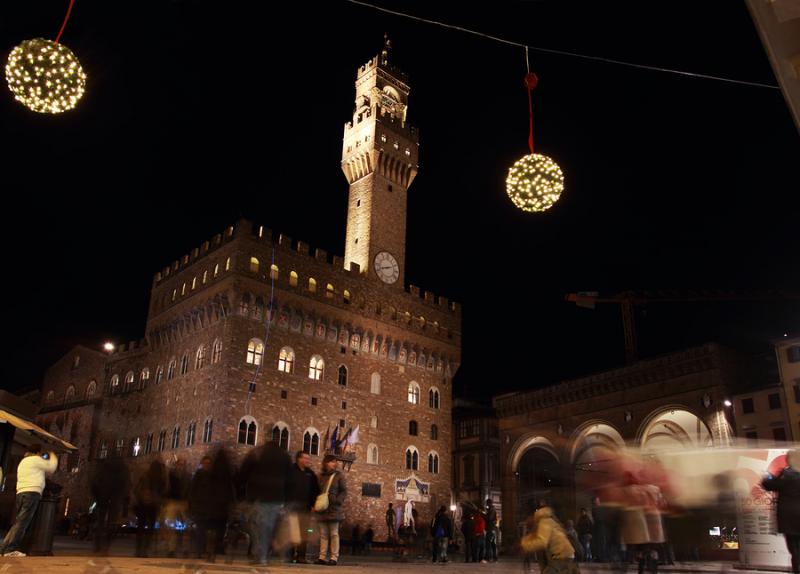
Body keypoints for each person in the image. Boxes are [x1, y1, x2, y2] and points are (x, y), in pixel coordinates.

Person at [238, 440, 292, 566]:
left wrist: (241, 493)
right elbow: (290, 478)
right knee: (267, 526)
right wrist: (287, 497)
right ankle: (264, 554)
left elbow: (243, 473)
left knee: (257, 526)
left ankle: (260, 555)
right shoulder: (284, 455)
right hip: (277, 497)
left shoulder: (257, 452)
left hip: (258, 496)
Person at [0, 445, 58, 557]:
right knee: (22, 523)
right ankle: (10, 549)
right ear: (37, 452)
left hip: (21, 493)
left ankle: (3, 548)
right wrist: (52, 455)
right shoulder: (35, 460)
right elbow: (51, 467)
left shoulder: (23, 461)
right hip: (31, 493)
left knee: (18, 522)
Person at [762, 450, 800, 574]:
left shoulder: (786, 474)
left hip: (789, 519)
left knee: (794, 549)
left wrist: (767, 476)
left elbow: (768, 484)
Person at [90, 453, 131, 556]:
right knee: (112, 523)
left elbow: (95, 482)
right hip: (115, 499)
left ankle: (97, 546)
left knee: (100, 522)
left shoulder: (103, 467)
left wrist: (96, 496)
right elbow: (127, 484)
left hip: (102, 498)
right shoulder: (124, 469)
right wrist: (123, 498)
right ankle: (105, 547)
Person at [521, 504, 580, 574]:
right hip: (561, 557)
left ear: (532, 516)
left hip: (562, 557)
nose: (526, 521)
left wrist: (524, 545)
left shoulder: (544, 522)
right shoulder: (541, 524)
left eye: (527, 518)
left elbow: (542, 542)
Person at [287, 450, 320, 563]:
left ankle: (301, 556)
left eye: (308, 458)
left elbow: (316, 491)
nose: (307, 460)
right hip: (292, 507)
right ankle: (290, 556)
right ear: (298, 459)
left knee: (304, 533)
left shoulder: (310, 474)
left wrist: (313, 505)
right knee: (292, 532)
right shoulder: (290, 471)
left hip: (305, 508)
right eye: (305, 458)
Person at [316, 454, 347, 566]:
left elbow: (344, 491)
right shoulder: (321, 476)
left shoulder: (339, 475)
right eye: (332, 461)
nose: (334, 463)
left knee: (334, 533)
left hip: (334, 508)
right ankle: (322, 557)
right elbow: (316, 490)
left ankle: (334, 557)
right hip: (322, 508)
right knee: (323, 534)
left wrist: (337, 501)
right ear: (326, 463)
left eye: (335, 462)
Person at [134, 459, 166, 558]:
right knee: (150, 528)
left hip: (142, 504)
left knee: (141, 527)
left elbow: (137, 489)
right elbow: (162, 492)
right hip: (153, 506)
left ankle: (139, 549)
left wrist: (140, 497)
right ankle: (145, 549)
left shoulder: (145, 476)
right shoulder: (160, 479)